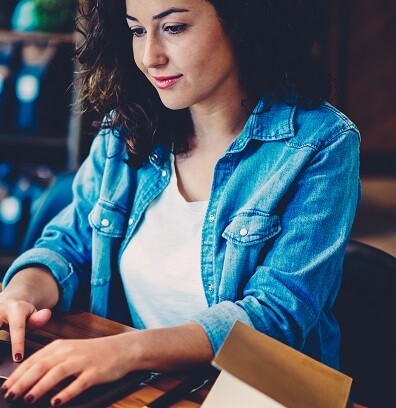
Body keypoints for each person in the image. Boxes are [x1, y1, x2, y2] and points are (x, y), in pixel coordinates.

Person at [0, 0, 360, 405]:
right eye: (137, 30)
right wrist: (21, 291)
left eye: (172, 28)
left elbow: (276, 316)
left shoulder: (321, 142)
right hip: (139, 386)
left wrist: (127, 350)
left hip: (255, 393)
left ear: (241, 23)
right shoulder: (126, 128)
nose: (150, 56)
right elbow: (70, 244)